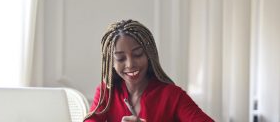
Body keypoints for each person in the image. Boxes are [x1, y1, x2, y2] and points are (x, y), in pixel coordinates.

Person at [83, 19, 214, 122]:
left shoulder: (172, 95)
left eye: (138, 54)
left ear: (148, 55)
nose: (130, 64)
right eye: (121, 58)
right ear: (111, 62)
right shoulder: (106, 92)